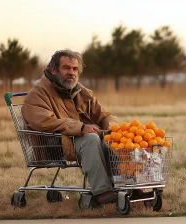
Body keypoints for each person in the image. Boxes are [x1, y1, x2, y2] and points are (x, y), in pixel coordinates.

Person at [21, 49, 119, 205]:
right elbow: (45, 122)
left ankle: (127, 188)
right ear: (53, 69)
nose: (71, 72)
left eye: (75, 69)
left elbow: (103, 114)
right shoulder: (37, 94)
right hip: (53, 144)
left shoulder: (80, 91)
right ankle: (102, 191)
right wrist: (80, 127)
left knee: (113, 140)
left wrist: (114, 128)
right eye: (66, 68)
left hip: (76, 138)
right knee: (91, 139)